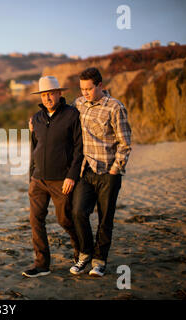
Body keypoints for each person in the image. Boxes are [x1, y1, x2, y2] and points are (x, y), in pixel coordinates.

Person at [70, 67, 132, 277]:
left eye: (89, 89)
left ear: (100, 86)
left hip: (108, 172)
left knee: (105, 219)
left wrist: (116, 168)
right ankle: (85, 254)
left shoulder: (115, 107)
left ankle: (100, 261)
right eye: (82, 89)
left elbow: (125, 142)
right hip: (85, 171)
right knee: (78, 213)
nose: (85, 93)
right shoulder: (78, 104)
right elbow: (62, 120)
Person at [22, 76, 83, 278]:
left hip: (61, 179)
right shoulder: (36, 119)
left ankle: (81, 250)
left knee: (65, 219)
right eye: (44, 94)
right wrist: (32, 175)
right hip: (38, 180)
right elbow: (34, 147)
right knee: (35, 220)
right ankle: (42, 264)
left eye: (51, 93)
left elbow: (78, 148)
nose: (47, 97)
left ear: (59, 93)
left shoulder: (72, 115)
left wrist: (72, 176)